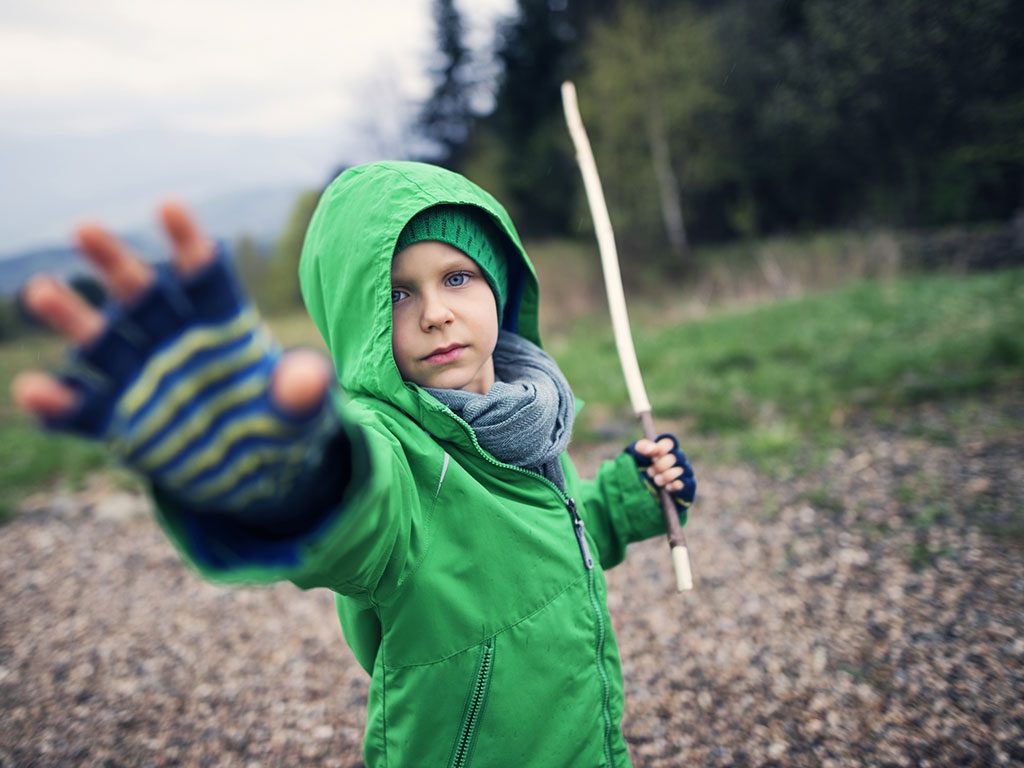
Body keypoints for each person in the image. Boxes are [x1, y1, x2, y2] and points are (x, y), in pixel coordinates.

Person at [11, 160, 696, 767]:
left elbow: (545, 541)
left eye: (457, 277)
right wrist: (295, 482)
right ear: (358, 319)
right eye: (399, 294)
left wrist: (623, 499)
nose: (435, 313)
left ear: (500, 287)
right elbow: (357, 518)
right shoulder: (393, 453)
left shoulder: (526, 411)